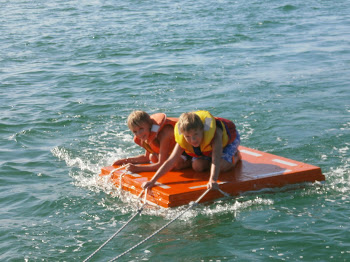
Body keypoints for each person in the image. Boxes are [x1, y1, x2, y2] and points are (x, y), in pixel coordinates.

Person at [142, 110, 241, 190]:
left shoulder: (215, 134)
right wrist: (152, 181)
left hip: (228, 141)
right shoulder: (183, 139)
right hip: (206, 147)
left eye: (195, 135)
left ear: (202, 129)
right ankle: (209, 158)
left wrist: (213, 180)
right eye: (188, 136)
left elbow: (216, 159)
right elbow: (170, 161)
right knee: (197, 166)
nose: (192, 140)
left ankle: (236, 156)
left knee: (222, 166)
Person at [113, 111, 190, 173]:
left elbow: (161, 164)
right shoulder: (147, 135)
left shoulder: (165, 133)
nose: (139, 134)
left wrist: (137, 168)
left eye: (141, 129)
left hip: (188, 151)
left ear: (150, 125)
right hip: (173, 153)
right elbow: (146, 158)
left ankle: (191, 163)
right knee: (152, 157)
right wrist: (124, 161)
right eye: (135, 131)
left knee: (175, 164)